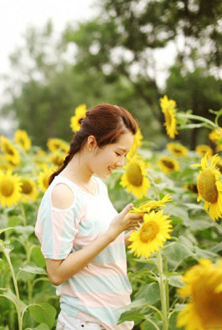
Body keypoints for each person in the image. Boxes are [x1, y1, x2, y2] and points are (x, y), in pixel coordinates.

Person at [35, 104, 143, 329]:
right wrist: (114, 231)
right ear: (92, 143)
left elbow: (96, 245)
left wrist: (133, 234)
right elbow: (56, 272)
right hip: (86, 320)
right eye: (118, 153)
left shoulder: (97, 186)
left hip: (114, 318)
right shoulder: (63, 194)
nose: (121, 163)